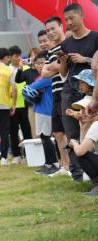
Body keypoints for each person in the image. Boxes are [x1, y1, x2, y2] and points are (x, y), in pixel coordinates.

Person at [57, 3, 98, 181]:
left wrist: (85, 59)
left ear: (82, 16)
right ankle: (76, 174)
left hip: (91, 89)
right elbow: (63, 73)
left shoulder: (96, 38)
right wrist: (63, 61)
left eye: (71, 18)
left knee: (90, 127)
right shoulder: (65, 44)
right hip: (70, 89)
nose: (69, 22)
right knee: (71, 130)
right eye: (66, 20)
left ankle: (92, 172)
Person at [41, 16, 70, 176]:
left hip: (68, 92)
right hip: (55, 93)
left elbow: (68, 68)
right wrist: (55, 66)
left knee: (70, 131)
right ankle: (64, 166)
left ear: (61, 26)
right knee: (58, 132)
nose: (50, 33)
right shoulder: (51, 51)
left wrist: (54, 66)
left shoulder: (69, 45)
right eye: (47, 31)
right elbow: (44, 73)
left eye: (53, 29)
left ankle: (74, 167)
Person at [25, 52, 60, 175]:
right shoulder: (42, 77)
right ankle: (48, 163)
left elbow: (28, 89)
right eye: (38, 63)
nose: (40, 66)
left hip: (45, 111)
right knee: (44, 137)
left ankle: (52, 163)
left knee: (45, 137)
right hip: (41, 110)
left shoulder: (46, 78)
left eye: (43, 63)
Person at [8, 45, 32, 164]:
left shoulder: (27, 68)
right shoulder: (7, 70)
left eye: (20, 55)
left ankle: (29, 155)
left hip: (25, 104)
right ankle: (16, 155)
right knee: (13, 131)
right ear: (10, 57)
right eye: (16, 56)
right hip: (11, 105)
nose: (18, 58)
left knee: (27, 130)